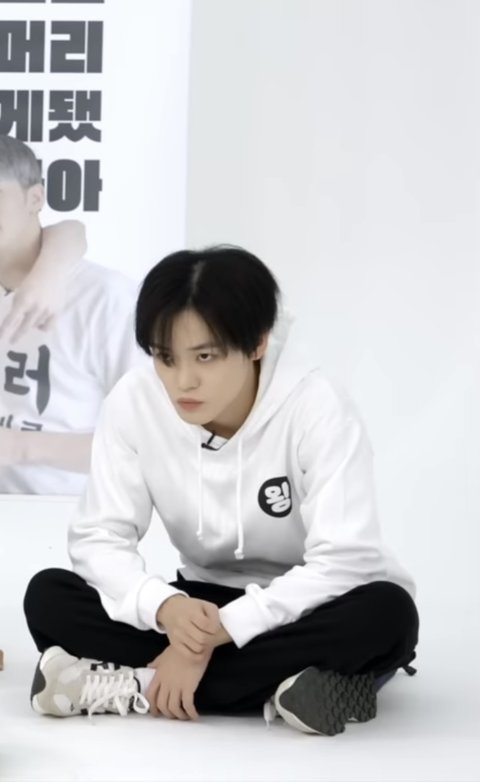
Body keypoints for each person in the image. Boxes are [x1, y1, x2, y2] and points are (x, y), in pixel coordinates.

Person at [24, 246, 419, 736]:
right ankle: (292, 688)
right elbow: (98, 538)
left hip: (314, 602)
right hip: (201, 599)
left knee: (388, 615)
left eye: (205, 356)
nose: (183, 381)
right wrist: (167, 609)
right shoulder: (133, 401)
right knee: (49, 597)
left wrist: (221, 633)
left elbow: (345, 560)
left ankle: (134, 685)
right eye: (165, 358)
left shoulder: (318, 407)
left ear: (256, 343)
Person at [0, 134, 146, 494]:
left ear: (35, 198)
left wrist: (19, 447)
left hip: (68, 513)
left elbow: (156, 441)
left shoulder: (107, 299)